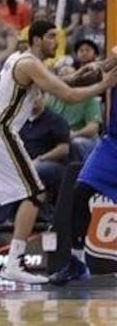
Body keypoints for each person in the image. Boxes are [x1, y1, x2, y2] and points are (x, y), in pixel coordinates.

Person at [0, 20, 117, 287]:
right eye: (49, 37)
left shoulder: (20, 60)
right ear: (35, 39)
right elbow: (67, 94)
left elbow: (55, 82)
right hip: (0, 131)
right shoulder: (31, 63)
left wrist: (87, 72)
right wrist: (104, 85)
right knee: (34, 193)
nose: (55, 42)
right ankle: (14, 263)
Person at [50, 56, 117, 285]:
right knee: (80, 193)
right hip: (112, 144)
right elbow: (100, 69)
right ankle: (76, 264)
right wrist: (95, 68)